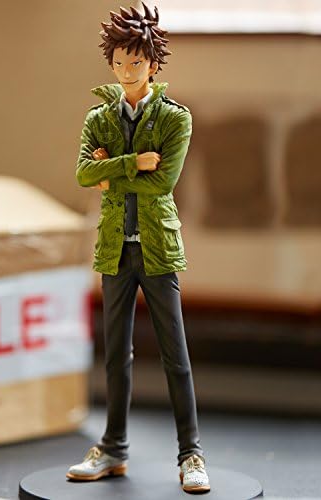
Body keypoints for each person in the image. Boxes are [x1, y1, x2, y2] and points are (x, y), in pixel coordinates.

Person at [66, 2, 210, 493]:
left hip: (157, 249)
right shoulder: (99, 117)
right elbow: (83, 174)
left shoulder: (174, 119)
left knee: (175, 353)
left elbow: (163, 183)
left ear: (153, 63)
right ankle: (113, 448)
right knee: (115, 354)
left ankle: (191, 453)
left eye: (136, 61)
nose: (127, 71)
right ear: (111, 64)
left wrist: (110, 172)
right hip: (115, 250)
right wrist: (132, 163)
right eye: (119, 62)